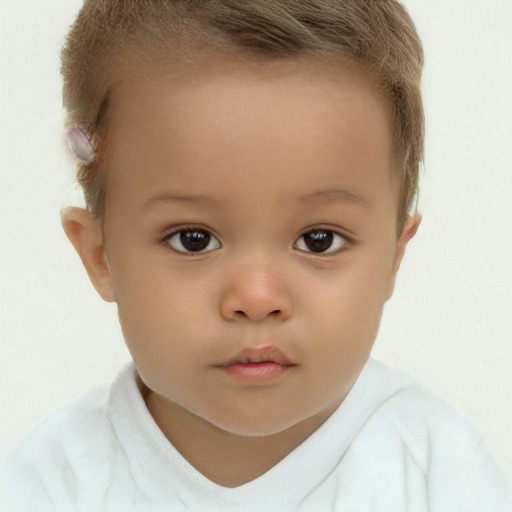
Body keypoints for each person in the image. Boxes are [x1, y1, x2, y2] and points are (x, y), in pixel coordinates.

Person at [1, 1, 510, 510]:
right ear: (100, 254)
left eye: (319, 240)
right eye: (193, 239)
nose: (257, 297)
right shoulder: (54, 480)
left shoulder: (434, 467)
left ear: (394, 256)